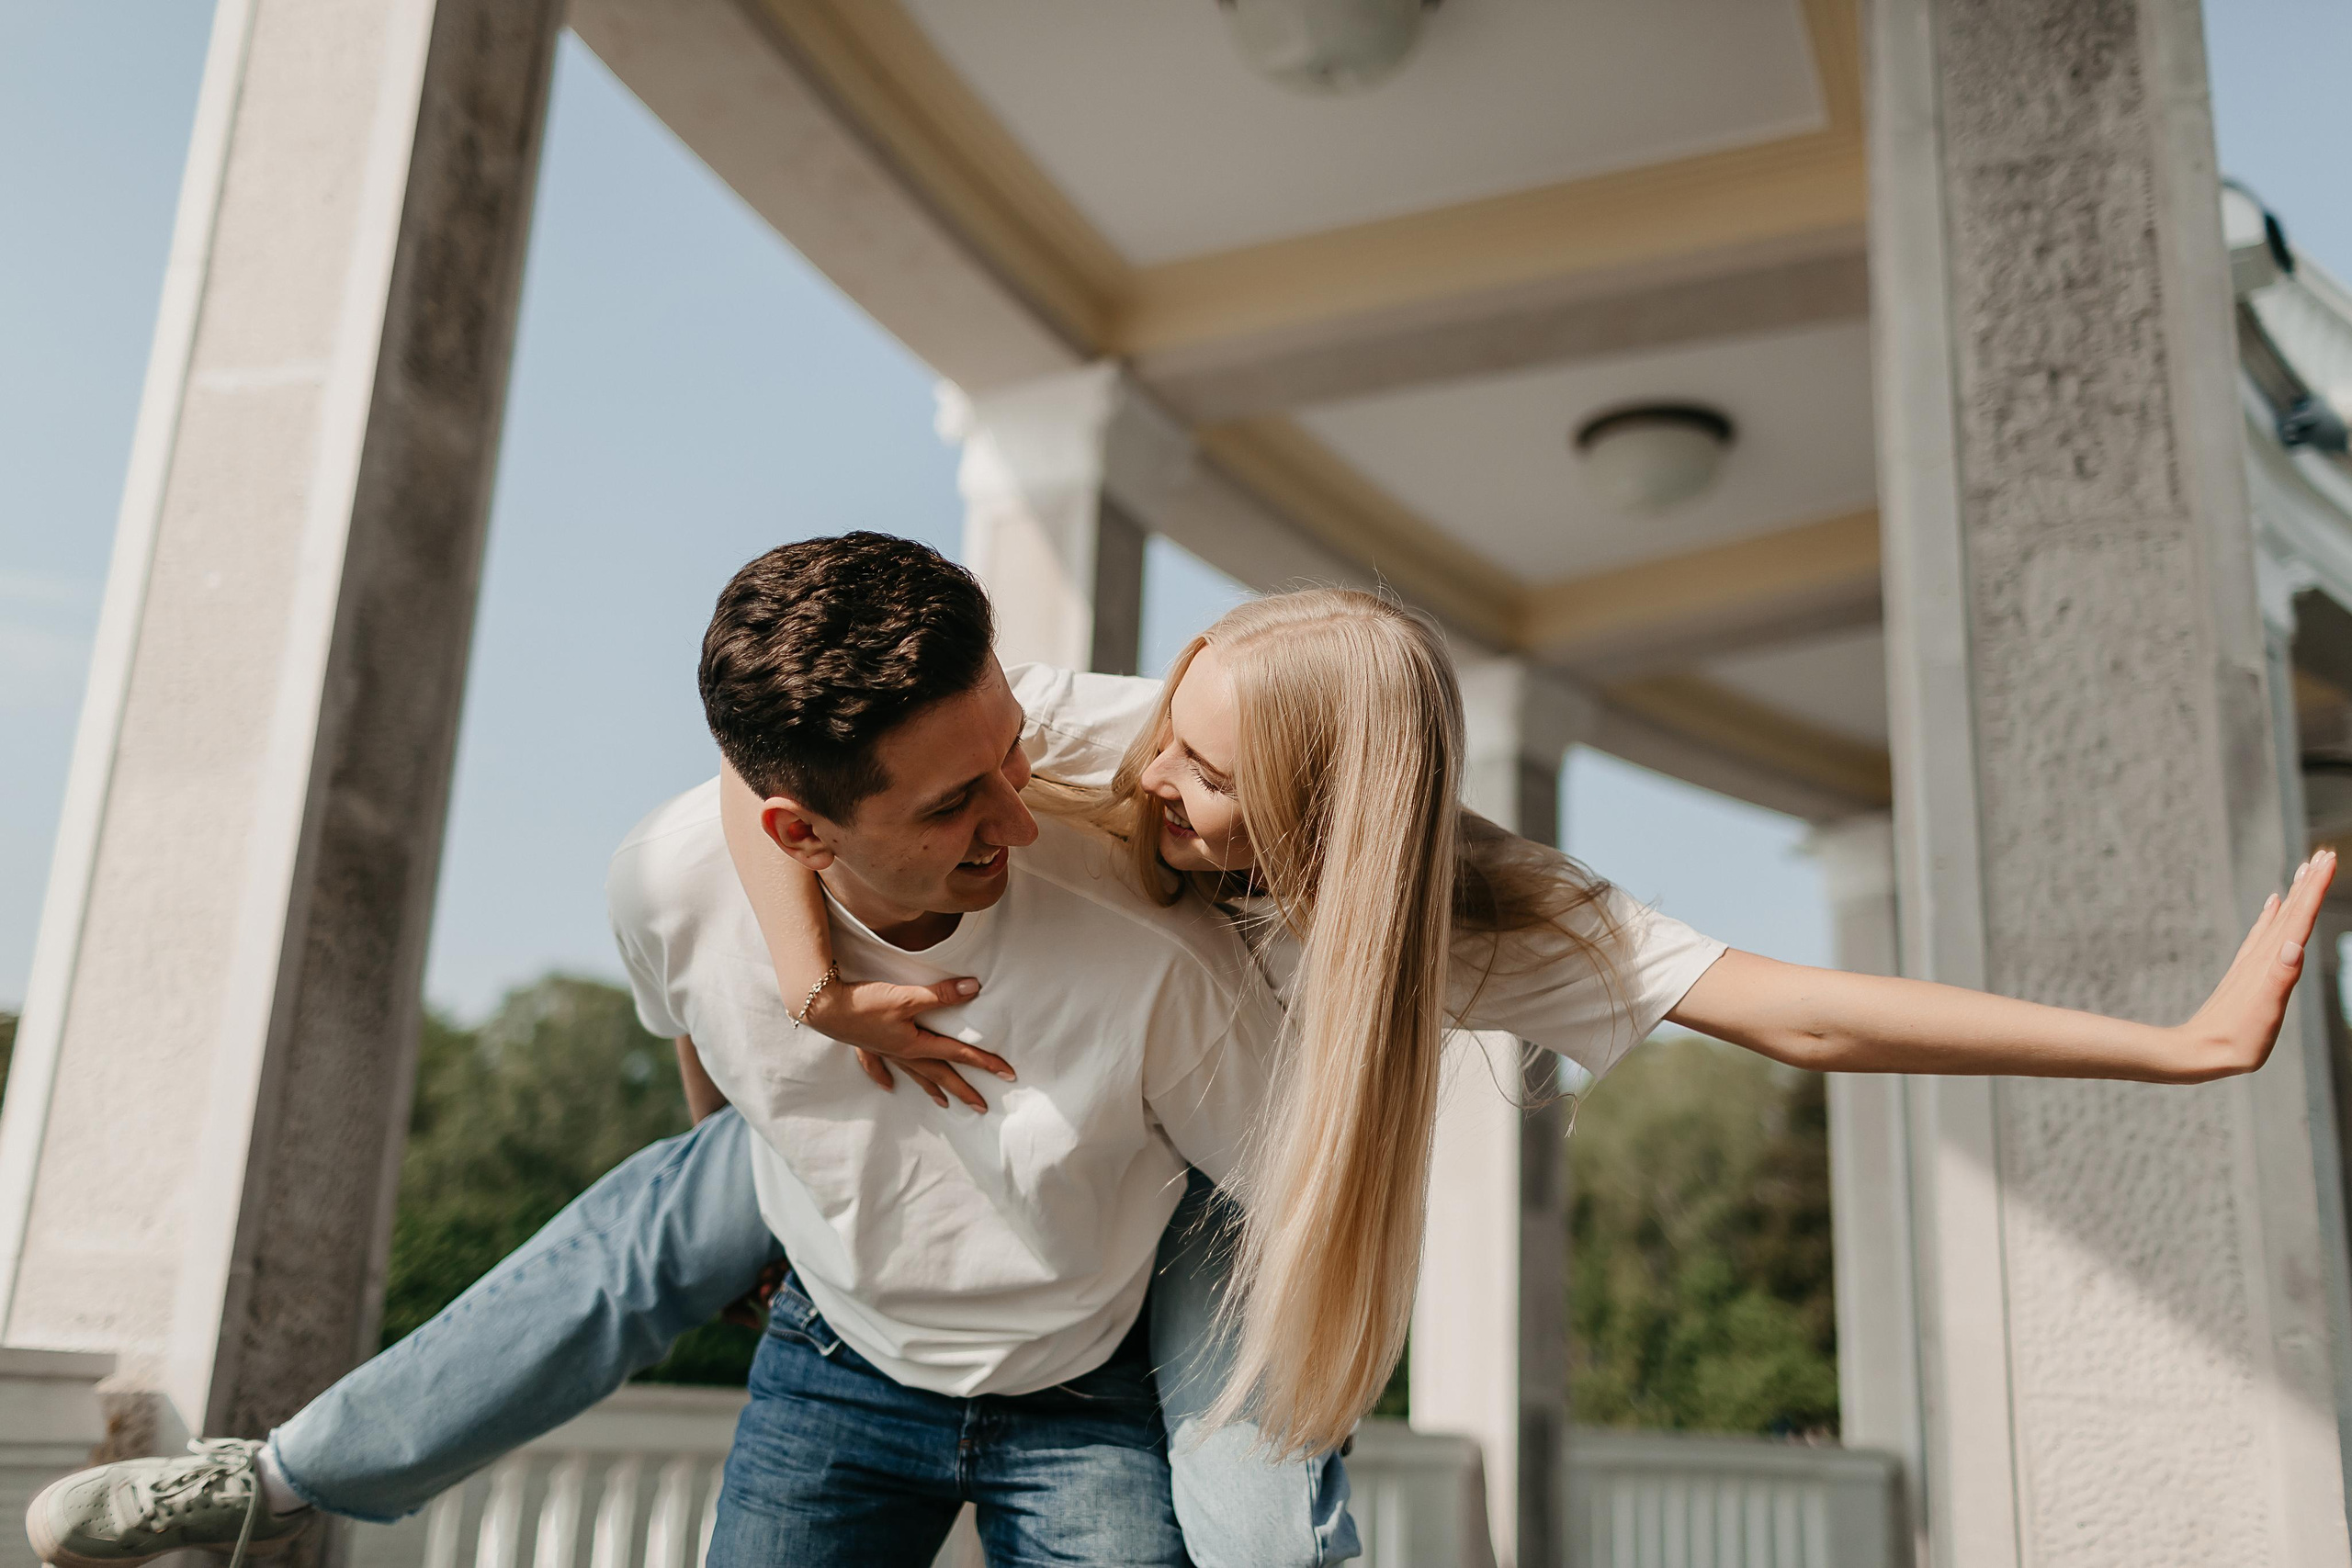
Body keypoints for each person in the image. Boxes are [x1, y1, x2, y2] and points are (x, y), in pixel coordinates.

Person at [727, 583, 2335, 1458]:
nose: (1151, 777)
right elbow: (764, 772)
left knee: (1253, 1528)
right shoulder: (1135, 722)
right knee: (677, 1214)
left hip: (1200, 1215)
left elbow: (1805, 1018)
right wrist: (813, 982)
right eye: (1171, 735)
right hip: (981, 1118)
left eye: (1211, 779)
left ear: (1323, 810)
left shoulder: (1489, 922)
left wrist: (2171, 1048)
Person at [26, 536, 1351, 1568]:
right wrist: (789, 1056)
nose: (1025, 807)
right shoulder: (673, 884)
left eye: (1012, 752)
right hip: (838, 1363)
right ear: (793, 832)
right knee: (646, 1229)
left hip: (1081, 1382)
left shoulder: (1146, 910)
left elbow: (1299, 1204)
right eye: (956, 801)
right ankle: (272, 1478)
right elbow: (705, 1042)